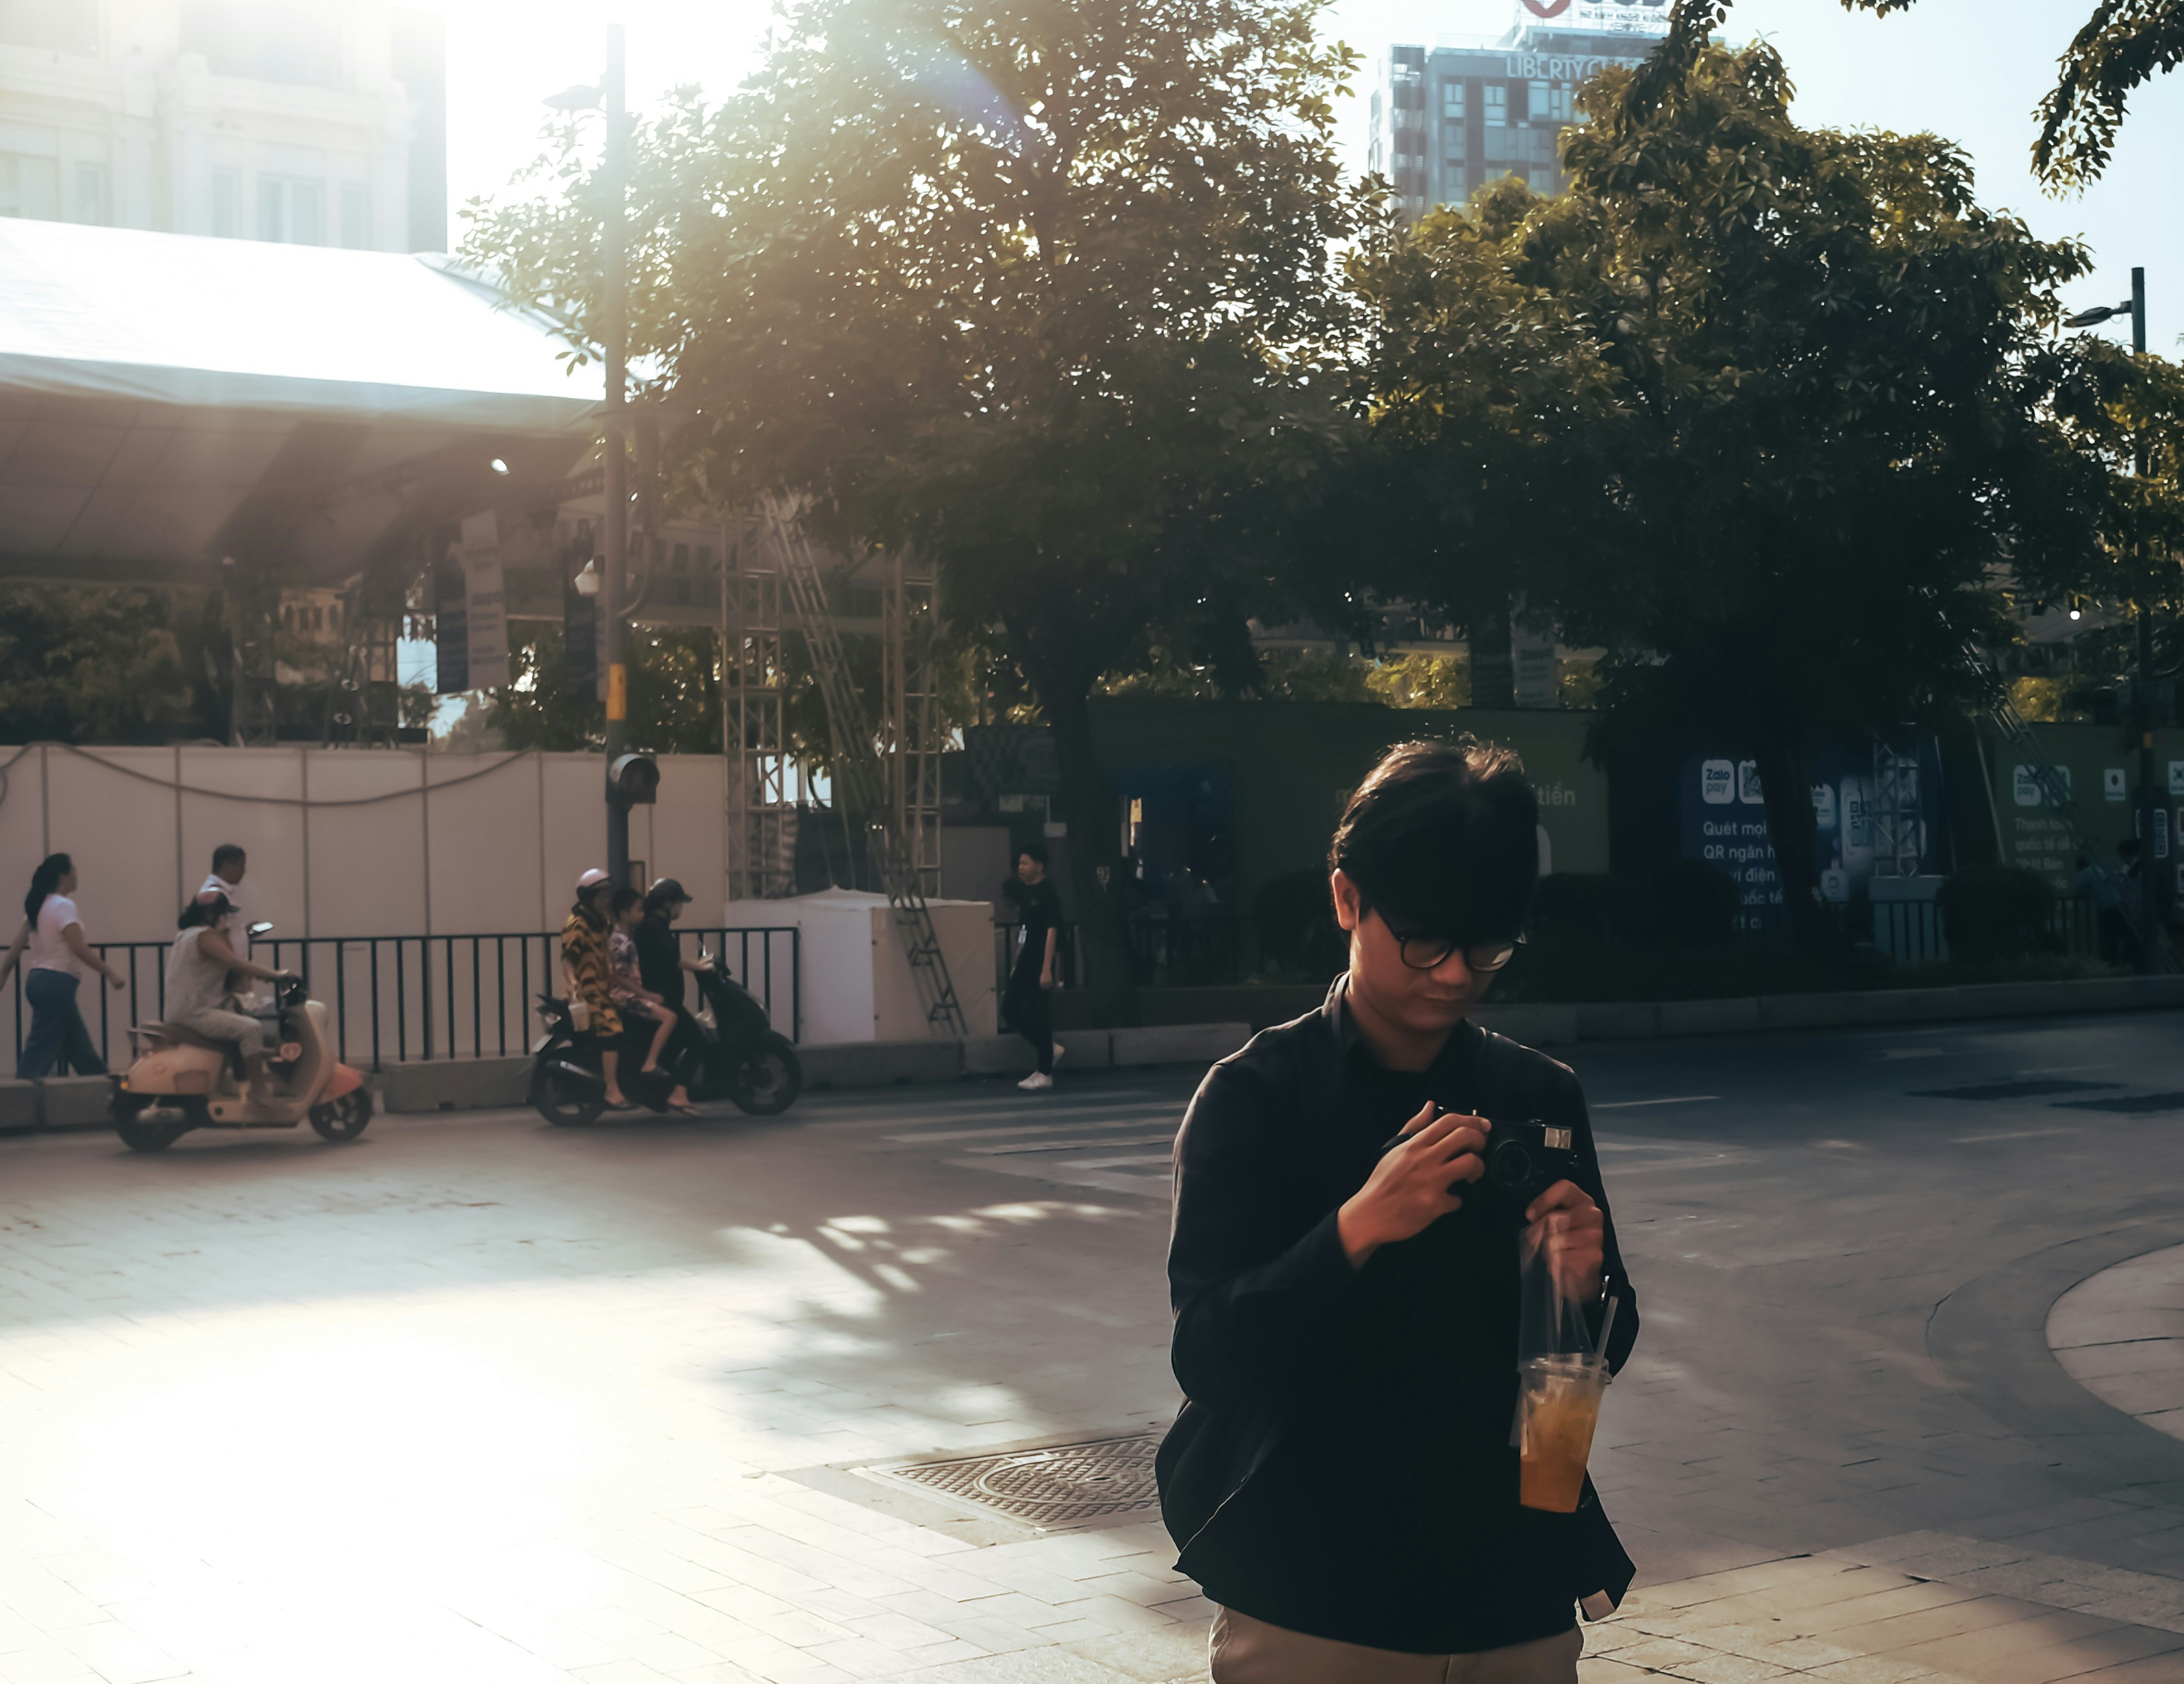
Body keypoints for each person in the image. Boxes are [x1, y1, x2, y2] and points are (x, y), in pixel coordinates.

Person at [1158, 739, 1641, 1683]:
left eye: (1489, 943)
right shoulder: (1255, 1096)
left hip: (1510, 1600)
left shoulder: (1537, 1095)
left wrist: (1576, 1301)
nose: (1457, 973)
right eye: (1425, 937)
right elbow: (1209, 1356)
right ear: (1347, 899)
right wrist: (1357, 1228)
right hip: (1315, 1607)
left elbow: (1568, 1396)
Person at [164, 893, 294, 1106]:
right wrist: (275, 975)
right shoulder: (205, 936)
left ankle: (235, 1082)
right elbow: (234, 962)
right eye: (224, 914)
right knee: (251, 1029)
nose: (227, 920)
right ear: (212, 914)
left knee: (238, 1017)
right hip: (196, 1012)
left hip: (187, 1008)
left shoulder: (186, 935)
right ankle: (258, 1091)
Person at [5, 854, 127, 1078]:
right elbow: (78, 947)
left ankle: (103, 1088)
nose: (77, 876)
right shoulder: (63, 906)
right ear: (64, 877)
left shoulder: (38, 905)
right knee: (40, 1049)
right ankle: (17, 1097)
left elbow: (16, 947)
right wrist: (110, 973)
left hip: (38, 980)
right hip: (57, 983)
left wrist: (3, 975)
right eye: (74, 871)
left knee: (79, 1047)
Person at [608, 885, 690, 1112]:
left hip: (630, 994)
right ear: (625, 913)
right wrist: (647, 995)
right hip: (626, 997)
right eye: (638, 910)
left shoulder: (624, 938)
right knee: (670, 1018)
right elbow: (621, 978)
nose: (643, 914)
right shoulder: (622, 942)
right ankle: (650, 1063)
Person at [562, 868, 631, 1109]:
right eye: (600, 897)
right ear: (588, 899)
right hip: (590, 993)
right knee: (612, 1031)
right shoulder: (579, 925)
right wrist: (572, 985)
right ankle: (611, 1090)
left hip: (605, 989)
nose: (605, 901)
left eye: (607, 896)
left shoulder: (602, 923)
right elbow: (568, 958)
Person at [632, 878, 703, 1113]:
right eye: (679, 904)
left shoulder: (656, 926)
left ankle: (656, 1091)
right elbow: (672, 960)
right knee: (698, 1040)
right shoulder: (654, 927)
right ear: (667, 904)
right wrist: (701, 967)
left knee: (672, 1047)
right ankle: (679, 1094)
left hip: (664, 997)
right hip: (662, 999)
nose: (681, 909)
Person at [1000, 841, 1063, 1091]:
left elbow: (1052, 931)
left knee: (1039, 1012)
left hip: (1039, 961)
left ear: (1040, 865)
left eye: (1025, 863)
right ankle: (1047, 1049)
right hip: (1025, 961)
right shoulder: (1027, 893)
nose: (1021, 868)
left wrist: (1047, 968)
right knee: (1010, 1008)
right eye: (1019, 864)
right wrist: (1017, 961)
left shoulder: (1048, 892)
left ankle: (1045, 1072)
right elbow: (1024, 932)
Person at [2075, 853, 2131, 965]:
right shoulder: (2099, 869)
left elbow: (2078, 890)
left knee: (2110, 937)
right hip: (2121, 904)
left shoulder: (2085, 872)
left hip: (2109, 907)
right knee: (2126, 935)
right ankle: (2128, 961)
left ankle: (2112, 964)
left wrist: (2091, 895)